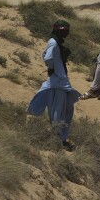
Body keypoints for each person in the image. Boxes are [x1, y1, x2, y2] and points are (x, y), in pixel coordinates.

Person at [28, 21, 81, 150]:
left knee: (63, 109)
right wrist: (53, 68)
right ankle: (58, 139)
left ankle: (59, 137)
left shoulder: (55, 41)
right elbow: (47, 58)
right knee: (58, 111)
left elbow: (46, 55)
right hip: (58, 82)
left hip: (59, 82)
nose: (66, 33)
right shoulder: (53, 42)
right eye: (64, 30)